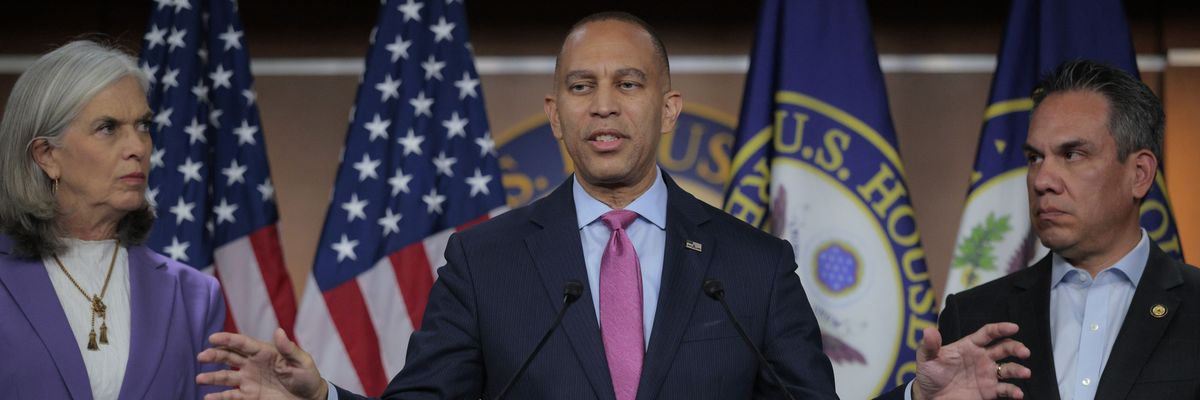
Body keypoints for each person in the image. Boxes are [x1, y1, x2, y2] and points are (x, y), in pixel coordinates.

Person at [196, 11, 839, 400]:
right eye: (581, 87)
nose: (604, 105)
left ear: (668, 109)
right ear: (555, 116)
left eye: (629, 84)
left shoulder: (754, 264)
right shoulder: (485, 260)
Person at [881, 60, 1200, 400]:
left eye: (1072, 154)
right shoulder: (974, 317)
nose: (1043, 180)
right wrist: (921, 398)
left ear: (1139, 174)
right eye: (1034, 158)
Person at [0, 40, 226, 399]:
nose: (137, 147)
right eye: (108, 127)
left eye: (144, 125)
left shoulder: (195, 296)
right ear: (46, 155)